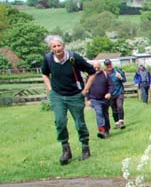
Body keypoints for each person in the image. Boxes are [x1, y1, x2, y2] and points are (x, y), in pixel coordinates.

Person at [40, 35, 96, 164]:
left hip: (75, 95)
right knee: (60, 122)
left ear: (63, 46)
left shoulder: (73, 58)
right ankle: (66, 150)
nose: (57, 48)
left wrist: (85, 90)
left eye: (59, 45)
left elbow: (91, 72)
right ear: (51, 48)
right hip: (58, 96)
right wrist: (50, 89)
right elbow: (44, 74)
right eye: (54, 46)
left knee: (79, 123)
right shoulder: (48, 59)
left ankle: (85, 148)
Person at [87, 61, 113, 138]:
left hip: (105, 99)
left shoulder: (105, 75)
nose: (96, 68)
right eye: (95, 67)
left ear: (100, 67)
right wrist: (88, 99)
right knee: (99, 113)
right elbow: (87, 88)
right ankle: (101, 130)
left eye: (98, 66)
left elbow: (111, 85)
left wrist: (109, 93)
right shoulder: (89, 76)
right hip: (94, 99)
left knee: (105, 114)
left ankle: (107, 129)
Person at [106, 59, 127, 128]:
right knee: (114, 109)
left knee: (120, 106)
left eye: (109, 64)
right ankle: (117, 122)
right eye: (107, 65)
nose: (109, 66)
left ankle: (121, 121)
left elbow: (124, 80)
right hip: (111, 94)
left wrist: (120, 77)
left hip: (119, 92)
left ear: (111, 64)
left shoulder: (117, 71)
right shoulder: (105, 74)